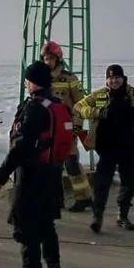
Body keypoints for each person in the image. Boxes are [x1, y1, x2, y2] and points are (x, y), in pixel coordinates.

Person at [0, 61, 70, 268]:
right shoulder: (56, 104)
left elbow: (20, 147)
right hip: (52, 174)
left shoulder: (35, 108)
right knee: (47, 227)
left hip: (32, 177)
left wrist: (1, 176)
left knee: (27, 231)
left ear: (31, 81)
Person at [75, 64, 134, 233]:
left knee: (129, 182)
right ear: (107, 80)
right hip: (106, 148)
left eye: (117, 78)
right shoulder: (99, 95)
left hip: (128, 147)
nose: (114, 81)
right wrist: (96, 112)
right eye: (110, 78)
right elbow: (78, 107)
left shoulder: (133, 94)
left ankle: (123, 216)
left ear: (123, 78)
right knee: (101, 184)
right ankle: (97, 217)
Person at [39, 40, 93, 213]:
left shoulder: (70, 78)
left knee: (71, 163)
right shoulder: (39, 78)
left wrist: (77, 125)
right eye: (45, 58)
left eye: (50, 58)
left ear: (58, 58)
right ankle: (53, 200)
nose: (48, 61)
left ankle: (84, 198)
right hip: (46, 129)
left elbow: (80, 103)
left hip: (66, 128)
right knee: (48, 166)